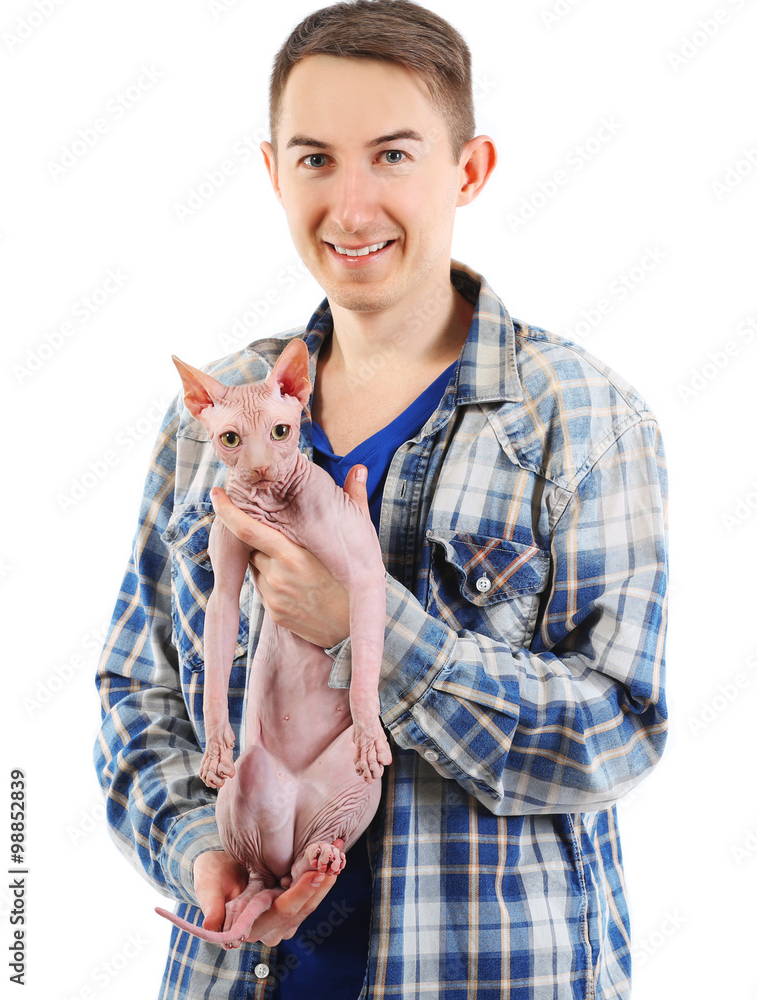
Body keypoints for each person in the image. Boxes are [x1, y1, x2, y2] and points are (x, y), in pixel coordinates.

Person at [94, 1, 669, 997]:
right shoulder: (222, 411)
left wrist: (374, 634)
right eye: (314, 159)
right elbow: (135, 701)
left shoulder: (583, 419)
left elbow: (618, 728)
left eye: (393, 156)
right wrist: (208, 853)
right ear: (273, 172)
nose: (350, 207)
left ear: (469, 169)